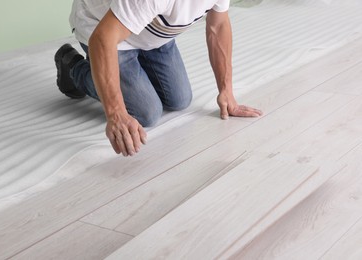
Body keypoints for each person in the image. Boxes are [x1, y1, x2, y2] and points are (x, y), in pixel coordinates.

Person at [54, 0, 262, 157]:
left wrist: (226, 90)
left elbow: (218, 26)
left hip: (153, 33)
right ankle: (73, 67)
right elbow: (102, 39)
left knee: (179, 100)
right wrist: (115, 114)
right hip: (102, 28)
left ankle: (137, 67)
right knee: (147, 112)